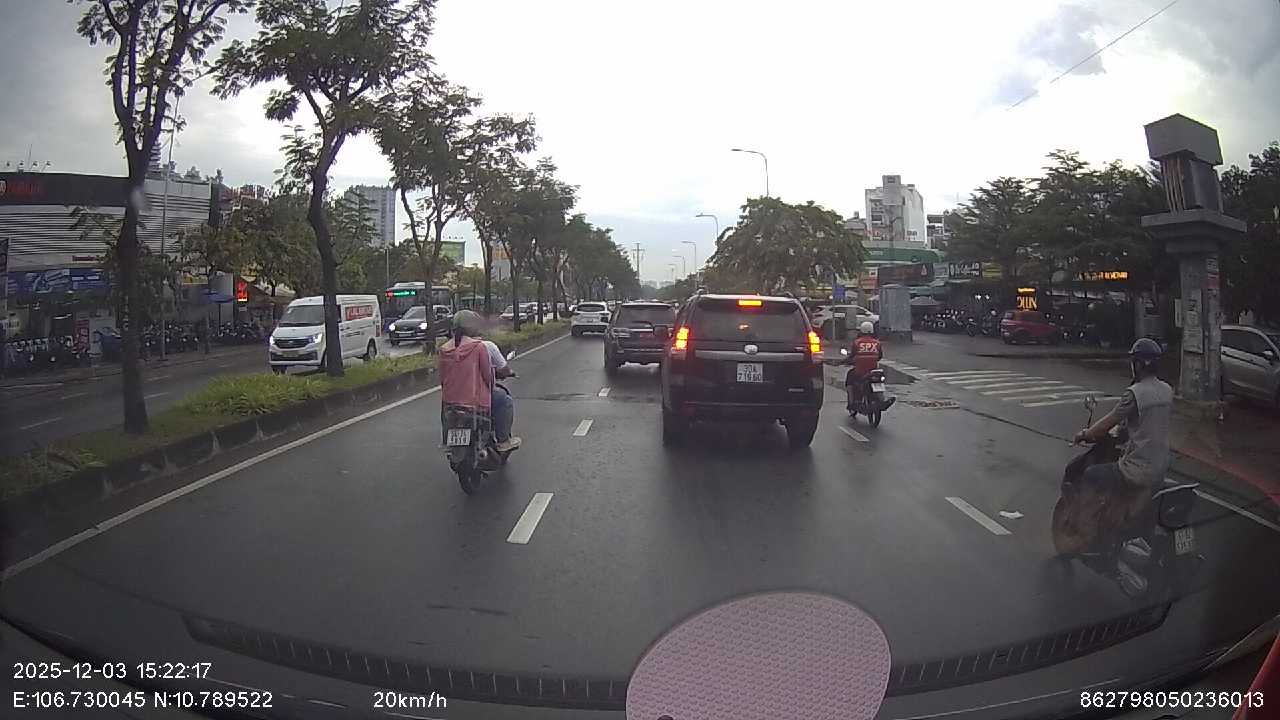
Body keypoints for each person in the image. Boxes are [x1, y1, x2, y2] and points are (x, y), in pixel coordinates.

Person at [1071, 338, 1173, 545]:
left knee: (1091, 474)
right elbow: (1144, 422)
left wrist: (1085, 434)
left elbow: (1107, 423)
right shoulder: (1167, 390)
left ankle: (1087, 530)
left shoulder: (1135, 393)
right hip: (1162, 464)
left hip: (1138, 467)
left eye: (1133, 362)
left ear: (1138, 364)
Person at [439, 310, 521, 452]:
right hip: (475, 400)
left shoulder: (444, 349)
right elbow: (488, 377)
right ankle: (503, 441)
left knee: (446, 410)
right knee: (504, 400)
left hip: (450, 402)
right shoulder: (479, 347)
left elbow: (442, 378)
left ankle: (447, 441)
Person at [842, 321, 895, 412]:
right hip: (874, 371)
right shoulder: (877, 343)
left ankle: (851, 402)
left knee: (849, 379)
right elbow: (880, 356)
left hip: (860, 371)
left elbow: (852, 356)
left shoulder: (857, 342)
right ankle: (882, 400)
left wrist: (846, 361)